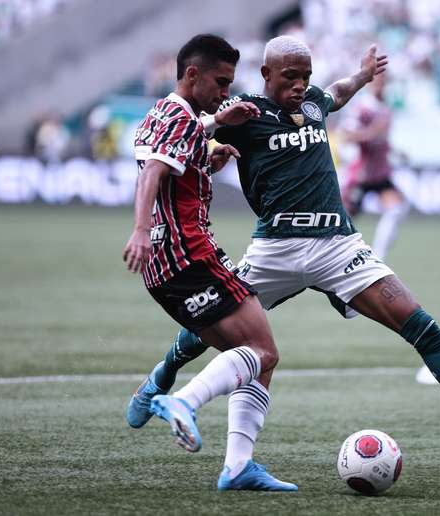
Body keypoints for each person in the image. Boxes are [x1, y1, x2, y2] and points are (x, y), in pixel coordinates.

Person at [128, 35, 440, 485]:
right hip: (275, 249)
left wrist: (365, 76)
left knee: (419, 322)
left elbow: (340, 91)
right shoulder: (243, 112)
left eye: (306, 76)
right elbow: (189, 136)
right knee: (213, 329)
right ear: (267, 74)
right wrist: (217, 137)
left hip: (337, 244)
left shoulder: (313, 102)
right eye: (290, 77)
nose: (299, 85)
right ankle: (162, 376)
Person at [123, 33, 297, 492]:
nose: (225, 91)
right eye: (221, 82)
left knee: (252, 359)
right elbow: (152, 172)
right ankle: (182, 402)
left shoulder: (166, 114)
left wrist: (207, 155)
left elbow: (171, 159)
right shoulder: (180, 115)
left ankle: (237, 465)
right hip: (190, 257)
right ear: (192, 74)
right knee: (264, 353)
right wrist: (139, 228)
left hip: (167, 268)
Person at [340, 71, 409, 259]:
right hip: (360, 175)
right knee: (342, 222)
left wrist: (395, 151)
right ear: (369, 83)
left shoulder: (385, 109)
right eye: (378, 80)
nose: (381, 84)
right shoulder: (362, 108)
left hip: (380, 174)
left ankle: (378, 258)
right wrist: (372, 132)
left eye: (384, 81)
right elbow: (347, 137)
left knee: (397, 209)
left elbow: (382, 140)